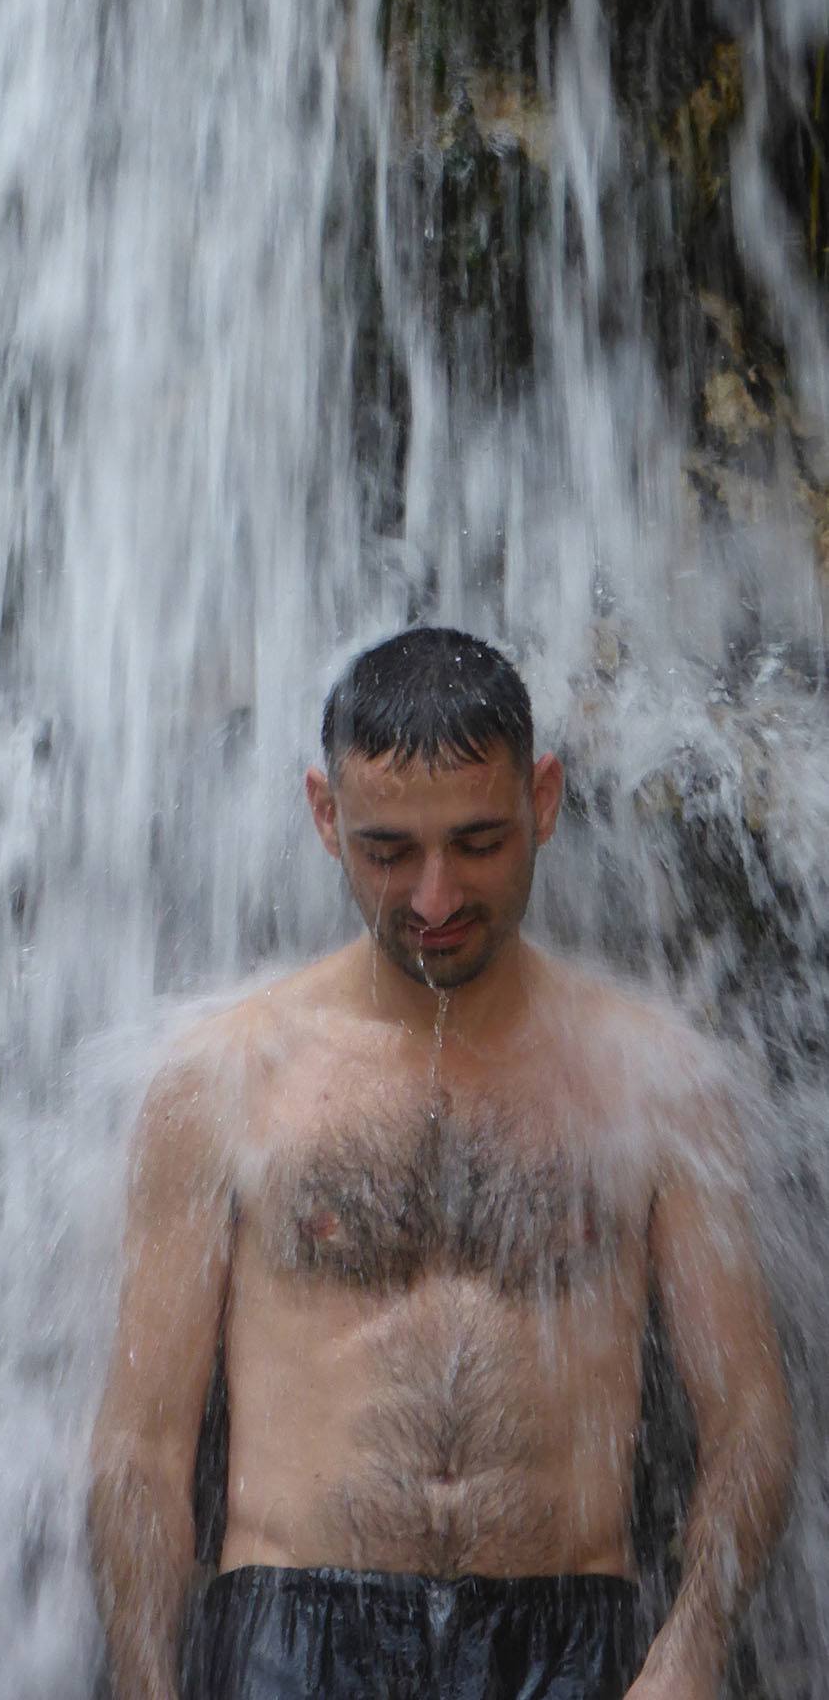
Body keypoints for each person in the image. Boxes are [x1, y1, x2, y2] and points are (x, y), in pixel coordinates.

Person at [88, 627, 793, 1699]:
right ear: (325, 815)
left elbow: (746, 1411)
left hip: (570, 1640)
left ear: (542, 800)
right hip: (289, 1637)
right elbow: (140, 1448)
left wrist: (692, 1643)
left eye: (476, 842)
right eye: (386, 851)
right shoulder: (222, 1080)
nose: (431, 898)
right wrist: (144, 1685)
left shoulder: (655, 1081)